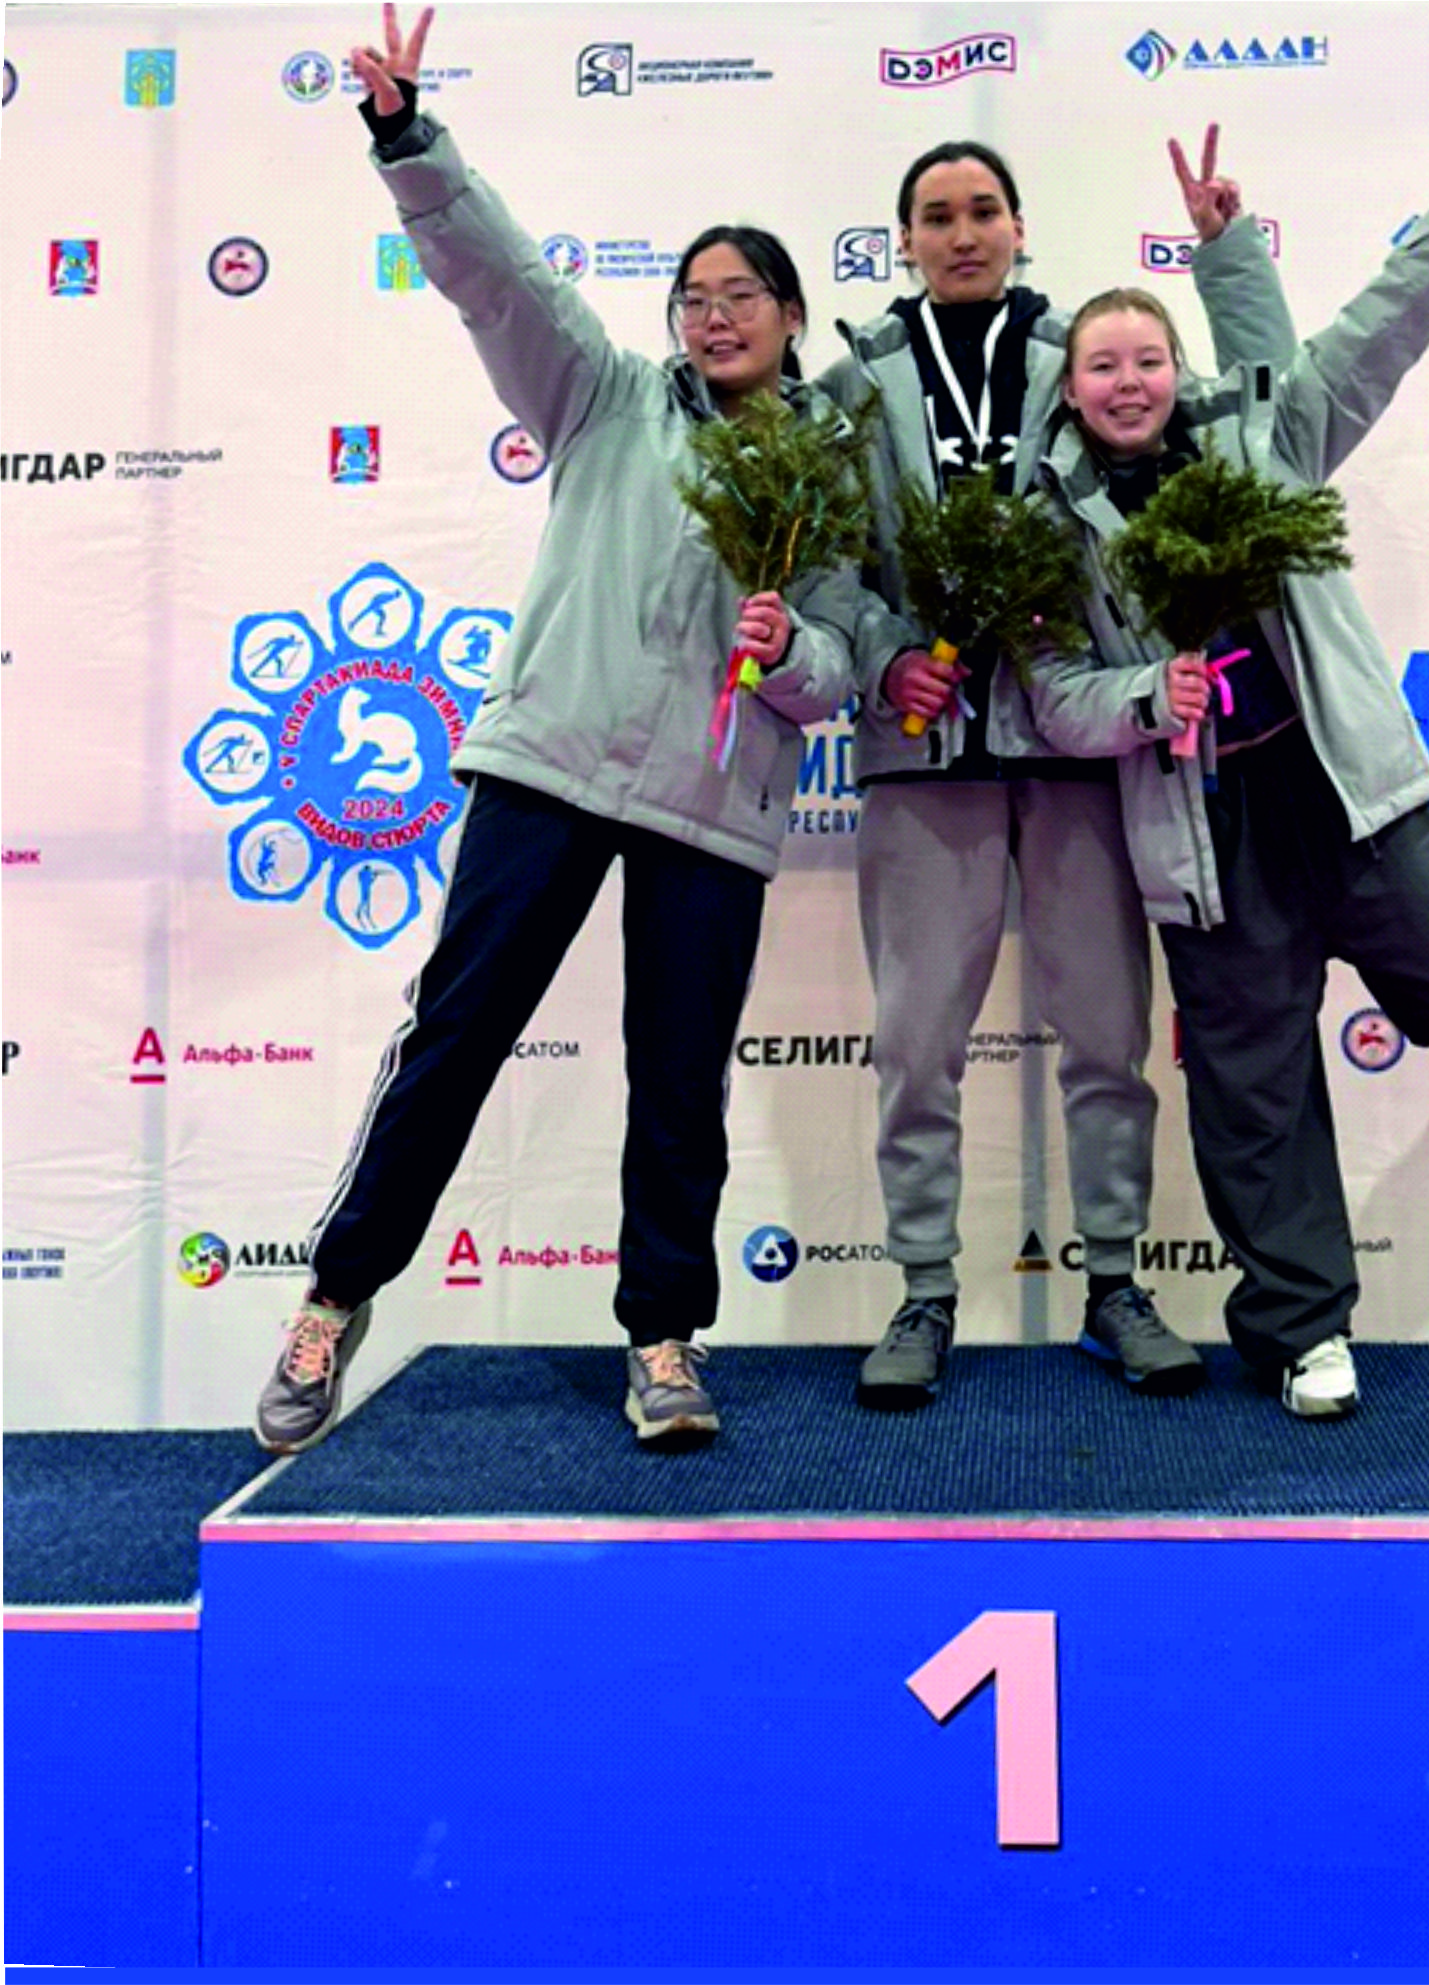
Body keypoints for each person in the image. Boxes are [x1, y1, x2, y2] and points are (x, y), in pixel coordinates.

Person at [253, 5, 855, 1455]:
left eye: (743, 294)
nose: (713, 315)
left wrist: (789, 652)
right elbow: (498, 276)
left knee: (680, 1083)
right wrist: (409, 138)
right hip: (550, 767)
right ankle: (334, 1298)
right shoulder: (602, 398)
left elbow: (844, 666)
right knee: (455, 1037)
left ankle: (663, 1338)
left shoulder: (829, 475)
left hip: (711, 801)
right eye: (694, 295)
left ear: (791, 316)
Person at [1028, 101, 1429, 1421]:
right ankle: (1303, 1330)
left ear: (1176, 366)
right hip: (1206, 837)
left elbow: (1384, 323)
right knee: (1250, 1094)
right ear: (1069, 391)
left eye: (1147, 357)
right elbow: (1051, 698)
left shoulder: (1268, 442)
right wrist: (1145, 695)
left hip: (1347, 793)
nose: (1128, 381)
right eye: (1101, 366)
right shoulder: (1054, 527)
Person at [815, 131, 1294, 1408]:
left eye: (983, 210)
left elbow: (1217, 428)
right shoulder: (854, 385)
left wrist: (1227, 259)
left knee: (1105, 1039)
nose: (961, 233)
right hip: (920, 755)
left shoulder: (1074, 359)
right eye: (935, 215)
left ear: (1018, 228)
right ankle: (923, 1291)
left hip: (1077, 746)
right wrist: (883, 659)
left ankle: (1116, 1285)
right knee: (916, 1046)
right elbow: (827, 565)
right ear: (902, 241)